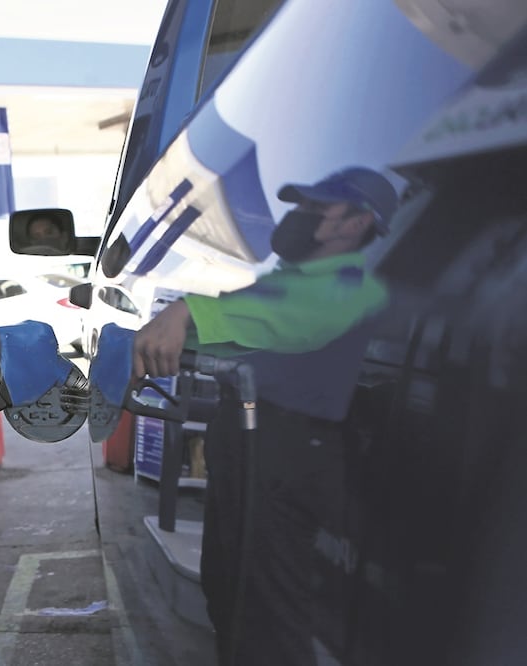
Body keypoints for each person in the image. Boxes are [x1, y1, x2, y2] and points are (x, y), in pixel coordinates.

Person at [131, 167, 399, 666]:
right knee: (229, 588)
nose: (301, 216)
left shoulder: (346, 287)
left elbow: (282, 319)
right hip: (251, 443)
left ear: (357, 223)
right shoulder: (287, 281)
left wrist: (187, 311)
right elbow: (238, 323)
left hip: (287, 451)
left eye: (319, 208)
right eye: (301, 206)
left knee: (269, 610)